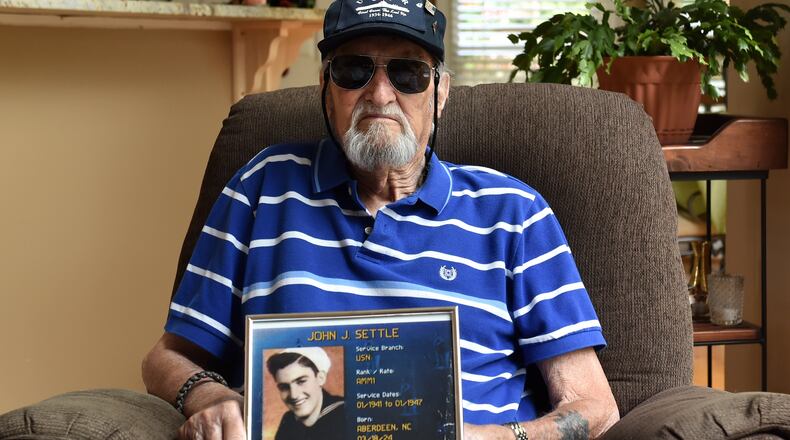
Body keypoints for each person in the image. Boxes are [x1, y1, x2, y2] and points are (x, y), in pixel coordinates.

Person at [141, 0, 620, 438]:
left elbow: (595, 406)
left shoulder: (513, 212)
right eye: (354, 70)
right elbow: (167, 356)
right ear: (326, 88)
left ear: (441, 92)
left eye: (408, 73)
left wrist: (493, 438)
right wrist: (211, 398)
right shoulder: (262, 187)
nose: (380, 93)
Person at [265, 348, 344, 440]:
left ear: (321, 378)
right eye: (284, 387)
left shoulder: (346, 413)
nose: (294, 395)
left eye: (301, 381)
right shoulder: (288, 420)